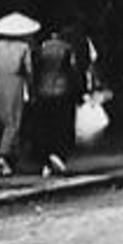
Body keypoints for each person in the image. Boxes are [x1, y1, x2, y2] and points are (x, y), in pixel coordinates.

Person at [0, 12, 37, 177]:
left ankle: (8, 159)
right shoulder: (23, 48)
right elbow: (29, 70)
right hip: (15, 84)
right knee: (13, 122)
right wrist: (31, 88)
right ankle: (4, 156)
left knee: (2, 122)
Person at [32, 27, 79, 177]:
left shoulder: (41, 49)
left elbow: (36, 69)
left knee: (45, 126)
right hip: (62, 90)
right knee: (61, 125)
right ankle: (58, 154)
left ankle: (46, 159)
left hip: (43, 90)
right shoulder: (67, 49)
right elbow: (72, 70)